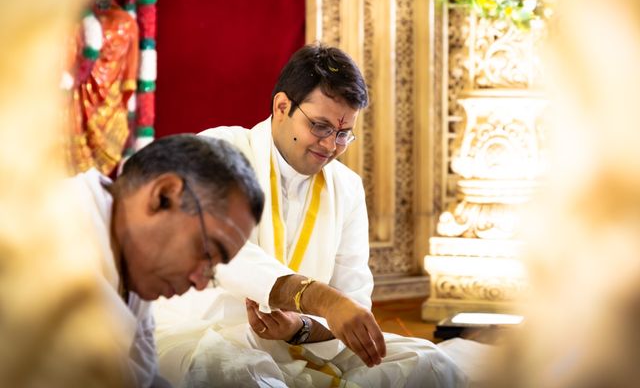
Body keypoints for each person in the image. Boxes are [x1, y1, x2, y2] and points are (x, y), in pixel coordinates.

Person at [153, 43, 467, 387]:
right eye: (320, 126)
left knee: (430, 363)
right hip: (207, 337)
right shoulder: (218, 150)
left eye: (344, 133)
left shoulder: (346, 186)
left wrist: (299, 328)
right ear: (282, 106)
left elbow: (354, 302)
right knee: (229, 371)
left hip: (305, 349)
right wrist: (320, 298)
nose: (331, 145)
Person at [67, 134, 265, 387]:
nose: (200, 283)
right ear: (163, 195)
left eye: (212, 270)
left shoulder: (130, 264)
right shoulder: (46, 243)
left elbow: (144, 381)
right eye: (205, 253)